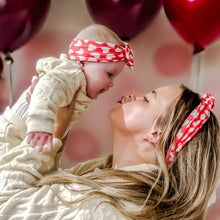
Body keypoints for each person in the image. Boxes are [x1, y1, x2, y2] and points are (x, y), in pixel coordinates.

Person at [0, 84, 219, 219]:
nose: (134, 94)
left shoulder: (105, 211)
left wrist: (49, 132)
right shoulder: (99, 175)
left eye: (146, 99)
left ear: (156, 135)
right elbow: (38, 195)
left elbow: (6, 205)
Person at [9, 23, 134, 152]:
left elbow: (59, 135)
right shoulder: (70, 73)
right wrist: (40, 125)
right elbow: (46, 90)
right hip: (12, 132)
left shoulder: (78, 87)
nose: (111, 84)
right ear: (82, 62)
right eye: (109, 74)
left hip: (24, 138)